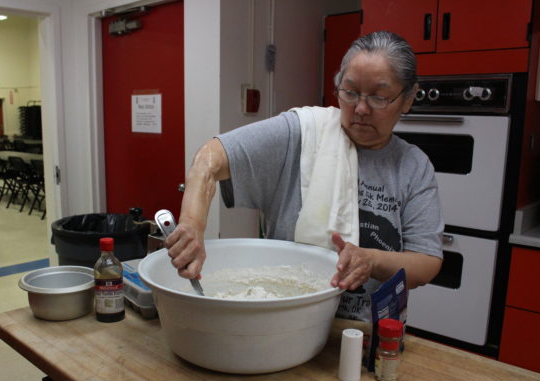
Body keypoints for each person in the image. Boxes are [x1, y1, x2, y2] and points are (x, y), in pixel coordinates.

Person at [165, 31, 443, 307]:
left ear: (407, 98)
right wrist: (192, 223)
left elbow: (426, 263)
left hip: (373, 334)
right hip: (289, 317)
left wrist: (371, 260)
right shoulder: (301, 134)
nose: (360, 108)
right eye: (350, 92)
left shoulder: (412, 166)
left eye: (378, 97)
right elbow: (209, 158)